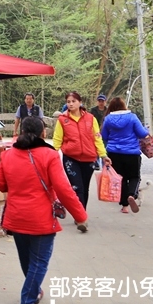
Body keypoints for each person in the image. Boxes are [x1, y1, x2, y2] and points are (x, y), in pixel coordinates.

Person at [0, 116, 88, 304]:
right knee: (40, 261)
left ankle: (34, 290)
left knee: (27, 259)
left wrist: (15, 187)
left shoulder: (9, 155)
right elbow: (64, 189)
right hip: (41, 218)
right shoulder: (49, 155)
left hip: (16, 215)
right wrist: (80, 215)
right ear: (43, 133)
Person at [52, 91, 110, 230]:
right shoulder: (62, 120)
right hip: (70, 158)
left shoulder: (91, 118)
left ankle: (81, 214)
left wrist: (103, 155)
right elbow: (57, 139)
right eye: (68, 102)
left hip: (89, 158)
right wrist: (51, 154)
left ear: (80, 102)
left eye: (73, 101)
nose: (71, 104)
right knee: (77, 187)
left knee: (84, 188)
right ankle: (81, 218)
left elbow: (97, 138)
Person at [99, 97, 150, 213]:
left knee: (120, 178)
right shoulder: (132, 117)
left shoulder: (107, 119)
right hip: (131, 153)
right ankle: (132, 195)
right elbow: (142, 133)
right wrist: (146, 130)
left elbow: (104, 136)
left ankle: (125, 206)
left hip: (114, 153)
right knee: (134, 177)